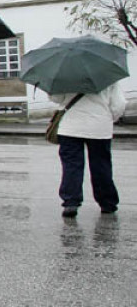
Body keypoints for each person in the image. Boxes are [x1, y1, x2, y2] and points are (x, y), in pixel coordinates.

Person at [50, 81, 126, 218]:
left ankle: (70, 203)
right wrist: (108, 118)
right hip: (99, 128)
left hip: (70, 128)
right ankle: (107, 203)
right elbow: (119, 105)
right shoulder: (108, 77)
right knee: (101, 166)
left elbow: (56, 99)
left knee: (71, 167)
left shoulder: (67, 74)